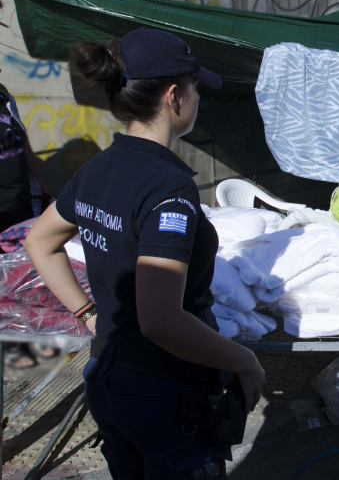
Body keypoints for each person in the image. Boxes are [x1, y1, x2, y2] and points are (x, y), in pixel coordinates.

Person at [24, 29, 265, 478]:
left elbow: (40, 241)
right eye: (195, 88)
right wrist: (245, 361)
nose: (198, 98)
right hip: (166, 394)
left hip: (110, 378)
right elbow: (160, 320)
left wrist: (88, 313)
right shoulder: (167, 187)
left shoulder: (99, 167)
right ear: (175, 96)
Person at [1, 82, 49, 232]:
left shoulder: (5, 96)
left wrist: (41, 182)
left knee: (19, 252)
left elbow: (22, 138)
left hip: (20, 198)